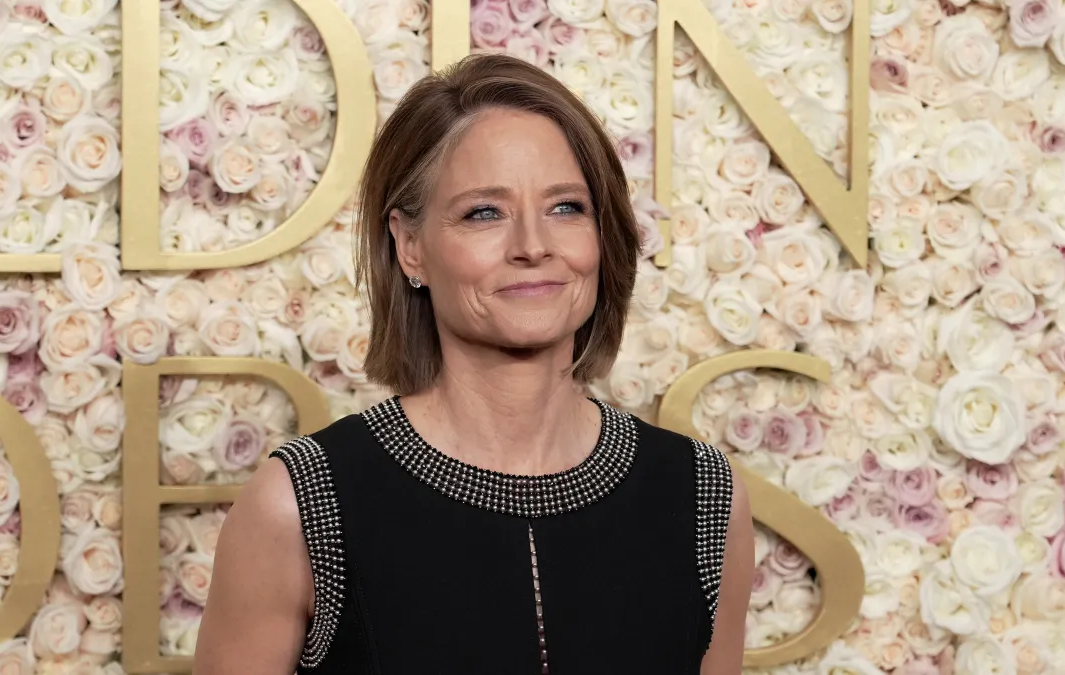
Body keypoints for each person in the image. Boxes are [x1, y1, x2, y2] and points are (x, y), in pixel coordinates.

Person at [194, 53, 753, 674]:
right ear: (410, 247)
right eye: (484, 212)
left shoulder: (704, 492)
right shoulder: (300, 502)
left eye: (566, 207)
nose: (533, 246)